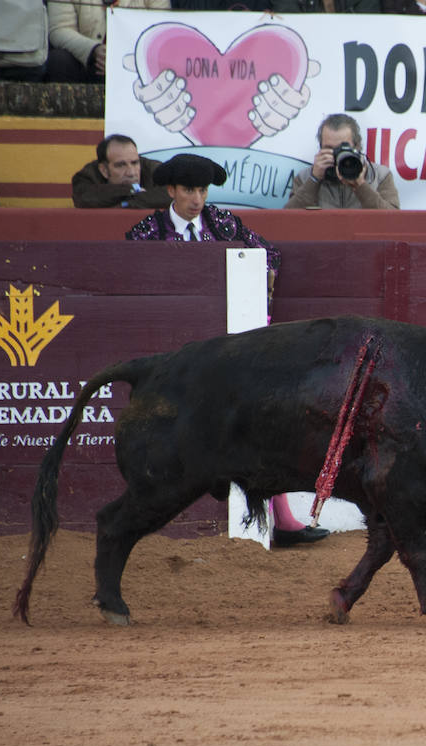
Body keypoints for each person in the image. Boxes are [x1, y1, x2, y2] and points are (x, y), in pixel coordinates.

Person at [124, 153, 326, 548]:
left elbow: (269, 255)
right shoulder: (144, 233)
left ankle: (280, 517)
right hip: (174, 358)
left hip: (226, 351)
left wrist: (254, 300)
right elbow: (135, 285)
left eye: (202, 190)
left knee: (259, 420)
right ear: (171, 190)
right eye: (189, 190)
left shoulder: (222, 222)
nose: (197, 198)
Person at [284, 113, 399, 210]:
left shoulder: (379, 176)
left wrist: (361, 186)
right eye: (329, 148)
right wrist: (314, 179)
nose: (336, 154)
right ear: (320, 148)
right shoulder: (305, 178)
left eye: (342, 148)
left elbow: (393, 220)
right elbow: (288, 220)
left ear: (357, 146)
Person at [47, 0, 170, 84]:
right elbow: (59, 29)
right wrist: (94, 50)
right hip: (88, 62)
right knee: (59, 60)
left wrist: (121, 58)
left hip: (134, 65)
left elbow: (161, 30)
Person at [71, 134, 171, 209]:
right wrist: (131, 190)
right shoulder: (88, 174)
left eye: (135, 163)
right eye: (121, 165)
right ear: (104, 170)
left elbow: (175, 194)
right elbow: (83, 198)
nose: (131, 173)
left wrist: (126, 204)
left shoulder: (152, 168)